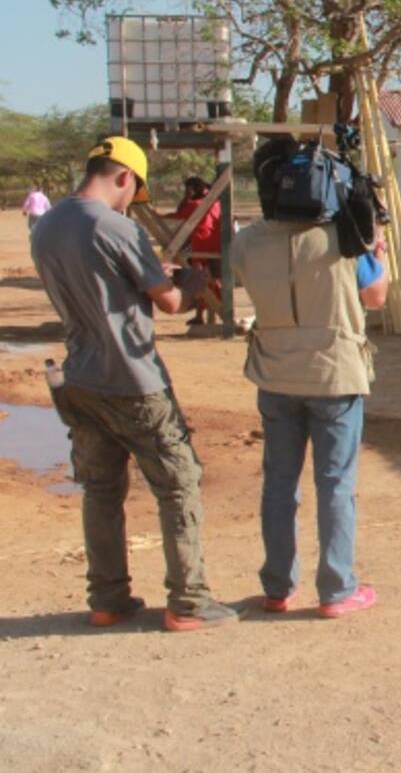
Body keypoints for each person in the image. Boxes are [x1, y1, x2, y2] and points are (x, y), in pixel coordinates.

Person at [31, 136, 237, 631]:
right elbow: (168, 303)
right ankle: (189, 601)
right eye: (133, 192)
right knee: (178, 481)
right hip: (131, 379)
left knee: (101, 489)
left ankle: (107, 597)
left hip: (79, 376)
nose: (131, 202)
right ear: (125, 177)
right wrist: (189, 285)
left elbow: (101, 281)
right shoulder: (115, 226)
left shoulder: (47, 225)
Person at [231, 137, 388, 619]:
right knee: (335, 484)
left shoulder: (247, 240)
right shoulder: (346, 238)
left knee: (279, 482)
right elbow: (376, 296)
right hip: (335, 375)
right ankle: (337, 590)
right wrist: (376, 249)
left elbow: (249, 278)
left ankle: (278, 587)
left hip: (276, 373)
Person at [167, 176, 222, 326]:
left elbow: (178, 214)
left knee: (202, 282)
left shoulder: (196, 204)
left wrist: (187, 197)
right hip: (217, 246)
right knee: (212, 280)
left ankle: (211, 312)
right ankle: (206, 314)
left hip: (202, 247)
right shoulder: (216, 202)